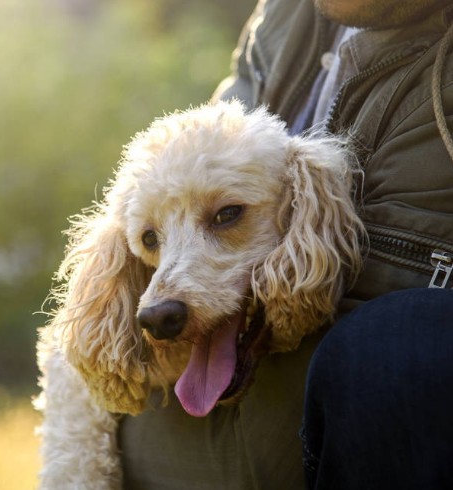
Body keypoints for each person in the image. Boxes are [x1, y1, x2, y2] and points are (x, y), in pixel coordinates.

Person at [118, 0, 453, 488]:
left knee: (393, 342)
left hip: (355, 394)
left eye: (227, 216)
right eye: (151, 239)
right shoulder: (282, 13)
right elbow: (186, 170)